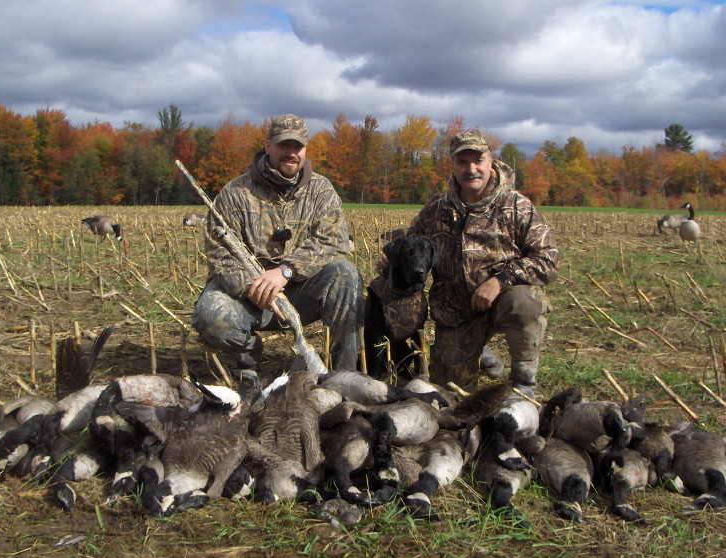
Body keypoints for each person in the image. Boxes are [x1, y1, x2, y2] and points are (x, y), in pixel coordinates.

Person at [378, 129, 559, 396]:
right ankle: (479, 350)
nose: (471, 169)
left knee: (525, 300)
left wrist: (500, 281)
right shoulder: (437, 209)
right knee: (451, 396)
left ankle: (523, 384)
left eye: (478, 160)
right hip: (455, 315)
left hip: (501, 301)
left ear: (490, 161)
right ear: (453, 165)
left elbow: (548, 259)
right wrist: (389, 255)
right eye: (463, 162)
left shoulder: (516, 205)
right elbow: (413, 240)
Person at [192, 114, 364, 382]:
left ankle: (343, 376)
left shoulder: (321, 191)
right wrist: (254, 287)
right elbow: (220, 254)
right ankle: (247, 362)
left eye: (298, 146)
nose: (291, 153)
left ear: (305, 149)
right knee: (209, 315)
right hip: (249, 296)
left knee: (347, 274)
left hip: (301, 289)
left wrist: (286, 270)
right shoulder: (235, 193)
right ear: (268, 146)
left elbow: (334, 241)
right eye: (284, 145)